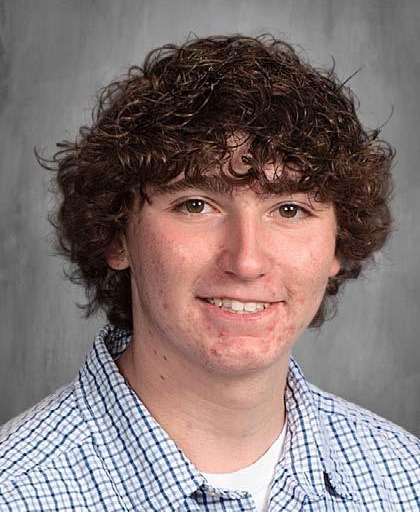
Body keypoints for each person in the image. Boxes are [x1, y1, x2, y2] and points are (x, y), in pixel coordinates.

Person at [0, 34, 418, 511]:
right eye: (196, 205)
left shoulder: (406, 481)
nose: (246, 261)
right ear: (117, 236)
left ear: (337, 245)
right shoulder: (15, 493)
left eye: (289, 210)